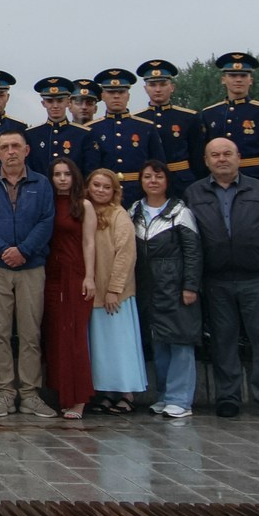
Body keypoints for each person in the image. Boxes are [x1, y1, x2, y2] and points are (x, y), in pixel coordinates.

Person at [187, 138, 259, 421]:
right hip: (215, 279)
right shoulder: (194, 193)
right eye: (215, 155)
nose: (221, 159)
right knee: (223, 340)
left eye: (227, 154)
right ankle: (228, 396)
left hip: (255, 277)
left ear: (239, 157)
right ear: (206, 160)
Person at [0, 132, 57, 418]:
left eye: (16, 146)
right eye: (5, 147)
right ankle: (5, 393)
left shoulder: (41, 183)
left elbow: (46, 221)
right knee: (0, 333)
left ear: (27, 150)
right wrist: (5, 249)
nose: (11, 152)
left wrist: (24, 251)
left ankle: (30, 394)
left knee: (31, 333)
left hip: (31, 267)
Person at [131, 160, 204, 419]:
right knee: (159, 341)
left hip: (175, 286)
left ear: (167, 181)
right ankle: (164, 396)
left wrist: (190, 285)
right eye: (147, 176)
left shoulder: (180, 212)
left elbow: (193, 253)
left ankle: (181, 399)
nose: (153, 181)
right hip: (148, 288)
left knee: (181, 341)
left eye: (158, 177)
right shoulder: (134, 211)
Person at [83, 168, 146, 415]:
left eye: (106, 187)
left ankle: (127, 393)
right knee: (103, 347)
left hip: (113, 293)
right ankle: (108, 392)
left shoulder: (119, 215)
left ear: (114, 191)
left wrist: (114, 289)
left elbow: (126, 255)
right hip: (93, 291)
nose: (100, 190)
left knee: (121, 345)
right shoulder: (87, 212)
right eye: (96, 185)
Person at [45, 159, 94, 419]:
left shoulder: (83, 206)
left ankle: (79, 399)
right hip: (50, 274)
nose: (62, 179)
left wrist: (90, 276)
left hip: (75, 274)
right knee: (56, 337)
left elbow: (89, 243)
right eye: (57, 174)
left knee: (75, 337)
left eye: (66, 174)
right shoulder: (47, 204)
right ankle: (62, 394)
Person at [196, 51, 259, 176]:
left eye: (243, 76)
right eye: (233, 76)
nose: (238, 80)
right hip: (219, 178)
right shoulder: (209, 114)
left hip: (256, 178)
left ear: (250, 80)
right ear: (223, 80)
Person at [136, 60, 204, 192]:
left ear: (172, 87)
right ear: (145, 89)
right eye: (152, 85)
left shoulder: (189, 118)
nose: (158, 89)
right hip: (150, 184)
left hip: (182, 182)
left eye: (163, 84)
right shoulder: (138, 119)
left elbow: (197, 156)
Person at [85, 70, 163, 182]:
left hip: (138, 191)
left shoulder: (146, 127)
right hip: (104, 192)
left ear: (128, 96)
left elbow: (158, 165)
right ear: (102, 96)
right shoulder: (91, 129)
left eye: (121, 92)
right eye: (111, 92)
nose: (116, 96)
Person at [23, 79, 91, 178]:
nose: (55, 106)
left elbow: (89, 170)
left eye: (60, 101)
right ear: (43, 103)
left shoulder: (83, 134)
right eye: (50, 101)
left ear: (68, 102)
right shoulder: (31, 134)